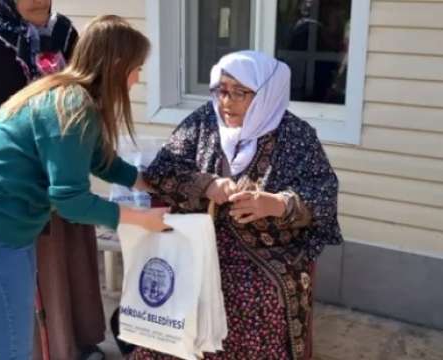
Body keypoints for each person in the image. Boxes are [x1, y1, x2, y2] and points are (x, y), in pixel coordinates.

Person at [0, 15, 166, 360]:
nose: (136, 79)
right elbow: (70, 200)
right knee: (10, 352)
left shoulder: (65, 94)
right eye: (136, 69)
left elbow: (99, 161)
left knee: (14, 347)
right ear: (117, 66)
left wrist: (143, 181)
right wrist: (137, 218)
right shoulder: (72, 106)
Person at [134, 51, 343, 360]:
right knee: (172, 288)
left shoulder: (296, 136)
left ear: (266, 95)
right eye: (221, 89)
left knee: (251, 298)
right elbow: (161, 172)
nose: (226, 102)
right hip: (197, 240)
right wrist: (207, 185)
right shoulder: (203, 123)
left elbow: (323, 195)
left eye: (239, 92)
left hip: (264, 251)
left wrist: (276, 204)